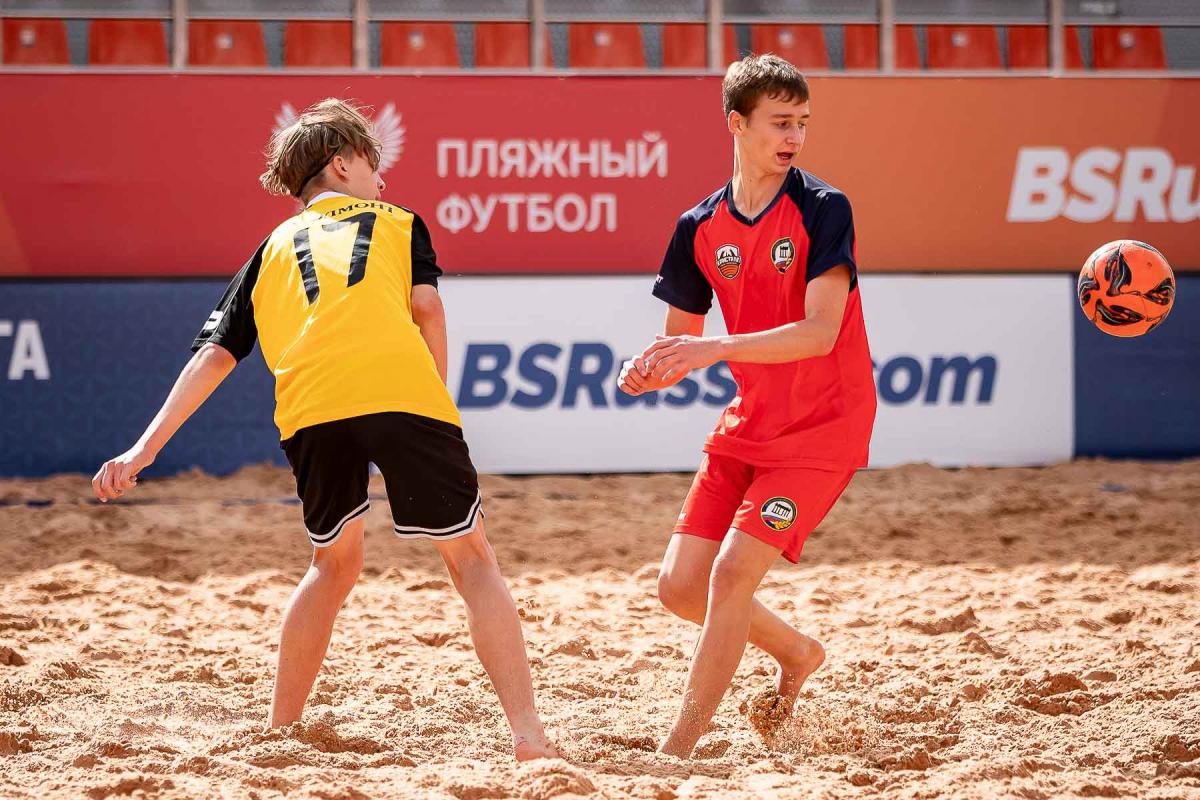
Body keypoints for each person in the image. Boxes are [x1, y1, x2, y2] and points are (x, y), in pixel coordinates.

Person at [91, 98, 556, 761]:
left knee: (332, 564)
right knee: (472, 559)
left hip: (311, 409)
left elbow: (215, 356)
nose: (382, 182)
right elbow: (427, 306)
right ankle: (528, 736)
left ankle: (281, 729)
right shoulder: (399, 222)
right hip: (401, 393)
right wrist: (438, 402)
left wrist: (143, 450)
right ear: (341, 165)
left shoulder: (269, 249)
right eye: (372, 166)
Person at [618, 55, 878, 758]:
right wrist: (648, 370)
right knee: (679, 589)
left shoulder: (823, 207)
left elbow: (819, 333)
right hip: (750, 421)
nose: (795, 136)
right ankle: (797, 651)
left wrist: (710, 349)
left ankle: (677, 749)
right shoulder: (698, 225)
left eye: (803, 123)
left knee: (731, 575)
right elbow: (679, 342)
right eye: (780, 122)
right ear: (737, 123)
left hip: (826, 425)